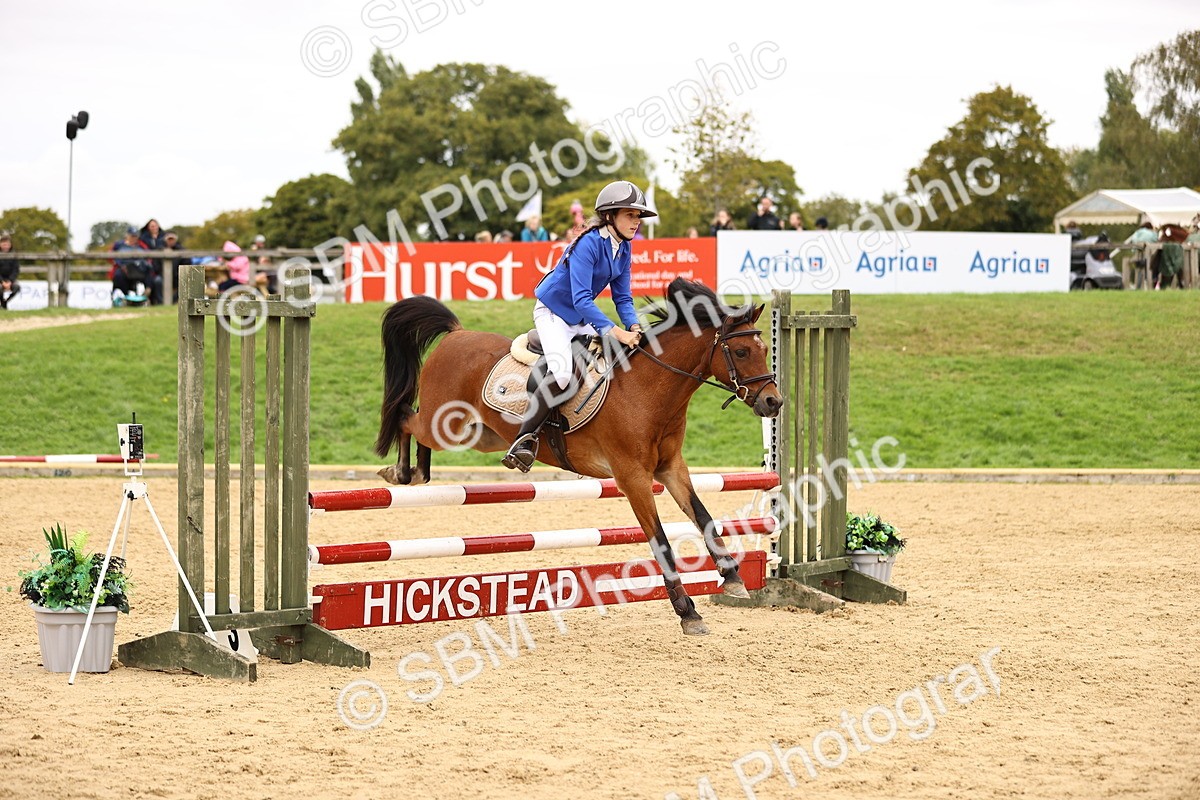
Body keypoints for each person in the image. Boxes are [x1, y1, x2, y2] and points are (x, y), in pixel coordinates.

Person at [501, 180, 653, 472]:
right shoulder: (588, 243)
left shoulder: (624, 248)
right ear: (610, 215)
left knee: (614, 360)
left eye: (638, 217)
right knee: (561, 376)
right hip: (553, 314)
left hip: (580, 320)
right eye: (630, 215)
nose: (636, 222)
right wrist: (615, 331)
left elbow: (623, 297)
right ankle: (523, 440)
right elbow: (582, 299)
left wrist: (633, 325)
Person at [112, 226, 159, 305]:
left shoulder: (141, 246)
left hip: (139, 270)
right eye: (132, 236)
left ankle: (147, 293)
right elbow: (113, 258)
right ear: (127, 236)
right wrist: (121, 266)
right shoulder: (120, 245)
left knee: (150, 271)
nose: (134, 238)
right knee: (118, 275)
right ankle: (126, 297)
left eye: (135, 236)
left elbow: (148, 259)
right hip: (125, 270)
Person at [138, 218, 166, 304]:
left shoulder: (164, 237)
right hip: (148, 267)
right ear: (148, 227)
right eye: (152, 226)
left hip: (161, 267)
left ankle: (158, 301)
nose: (154, 228)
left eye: (155, 225)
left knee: (157, 280)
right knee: (152, 277)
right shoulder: (143, 239)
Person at [1124, 221, 1158, 289]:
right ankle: (1151, 286)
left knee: (1139, 271)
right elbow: (1156, 240)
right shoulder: (1153, 233)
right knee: (1150, 270)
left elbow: (1134, 241)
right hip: (1151, 257)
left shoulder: (1138, 232)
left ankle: (1137, 287)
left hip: (1138, 256)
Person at [0, 232, 20, 310]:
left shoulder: (14, 255)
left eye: (7, 244)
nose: (6, 246)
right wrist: (2, 281)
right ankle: (2, 302)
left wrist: (10, 281)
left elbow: (16, 269)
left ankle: (5, 302)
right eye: (4, 244)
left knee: (17, 287)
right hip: (1, 280)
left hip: (10, 280)